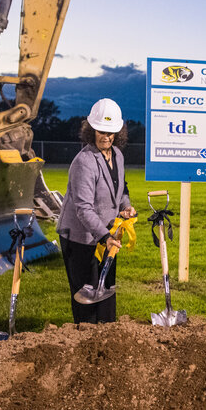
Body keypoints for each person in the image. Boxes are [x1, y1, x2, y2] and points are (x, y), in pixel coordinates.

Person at [57, 98, 136, 324]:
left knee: (107, 290)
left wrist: (125, 206)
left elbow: (120, 188)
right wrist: (105, 237)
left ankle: (108, 338)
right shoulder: (84, 161)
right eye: (101, 131)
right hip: (80, 238)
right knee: (87, 298)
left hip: (106, 235)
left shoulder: (118, 155)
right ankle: (85, 342)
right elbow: (83, 207)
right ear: (91, 130)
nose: (106, 136)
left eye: (111, 132)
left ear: (118, 133)